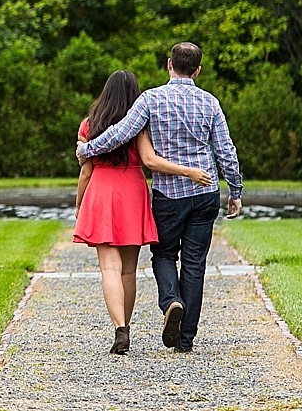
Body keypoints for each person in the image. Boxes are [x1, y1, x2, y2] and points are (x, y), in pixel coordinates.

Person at [79, 43, 243, 353]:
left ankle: (171, 301)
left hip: (168, 194)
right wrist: (235, 190)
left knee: (165, 255)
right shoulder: (210, 103)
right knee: (195, 264)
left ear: (169, 65)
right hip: (205, 192)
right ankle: (185, 340)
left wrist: (87, 149)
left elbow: (119, 133)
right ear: (197, 70)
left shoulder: (151, 99)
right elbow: (225, 150)